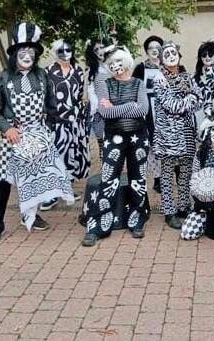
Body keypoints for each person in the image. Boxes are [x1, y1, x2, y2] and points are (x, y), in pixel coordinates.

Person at [0, 22, 74, 244]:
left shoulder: (42, 76)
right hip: (13, 135)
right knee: (5, 179)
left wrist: (55, 123)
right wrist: (7, 128)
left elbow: (51, 106)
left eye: (32, 52)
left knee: (36, 177)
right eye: (23, 52)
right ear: (15, 54)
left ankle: (32, 215)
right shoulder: (3, 78)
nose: (28, 55)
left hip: (38, 133)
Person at [81, 46, 150, 246]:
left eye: (118, 63)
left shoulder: (138, 83)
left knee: (138, 178)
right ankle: (97, 227)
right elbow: (105, 112)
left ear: (126, 62)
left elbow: (143, 109)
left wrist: (118, 107)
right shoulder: (105, 83)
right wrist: (131, 106)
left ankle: (137, 221)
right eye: (111, 65)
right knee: (108, 179)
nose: (115, 67)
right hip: (113, 138)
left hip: (138, 137)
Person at [153, 42, 202, 229]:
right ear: (162, 59)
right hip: (169, 136)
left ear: (179, 56)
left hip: (188, 132)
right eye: (167, 54)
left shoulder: (187, 76)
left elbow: (200, 100)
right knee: (166, 175)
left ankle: (183, 206)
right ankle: (169, 211)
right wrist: (190, 98)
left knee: (186, 173)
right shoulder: (159, 79)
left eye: (174, 53)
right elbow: (172, 106)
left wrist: (190, 100)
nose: (171, 56)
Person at [43, 39, 90, 210]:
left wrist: (82, 121)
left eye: (68, 50)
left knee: (72, 155)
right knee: (55, 155)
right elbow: (44, 98)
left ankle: (66, 188)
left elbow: (80, 96)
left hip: (75, 121)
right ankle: (51, 195)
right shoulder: (47, 72)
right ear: (55, 53)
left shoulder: (78, 70)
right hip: (56, 121)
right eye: (61, 51)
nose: (65, 54)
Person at [133, 35, 164, 193]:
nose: (155, 51)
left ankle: (170, 174)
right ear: (146, 51)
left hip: (166, 109)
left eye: (158, 47)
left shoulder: (169, 65)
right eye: (151, 48)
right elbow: (134, 90)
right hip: (148, 110)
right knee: (152, 145)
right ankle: (158, 178)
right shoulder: (140, 68)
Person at [84, 37, 112, 162]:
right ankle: (105, 173)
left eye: (102, 47)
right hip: (99, 112)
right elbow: (90, 92)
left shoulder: (114, 66)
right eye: (96, 49)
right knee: (103, 144)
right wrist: (100, 108)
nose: (100, 51)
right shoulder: (91, 71)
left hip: (115, 111)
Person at [194, 41, 214, 126]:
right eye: (204, 55)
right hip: (200, 113)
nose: (207, 57)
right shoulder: (195, 77)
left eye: (210, 54)